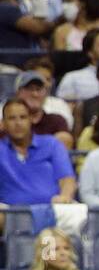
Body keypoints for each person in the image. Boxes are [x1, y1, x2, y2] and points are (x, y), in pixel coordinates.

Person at [0, 97, 76, 233]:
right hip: (10, 215)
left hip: (54, 211)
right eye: (12, 118)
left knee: (77, 213)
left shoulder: (52, 144)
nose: (18, 123)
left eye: (23, 117)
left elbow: (67, 179)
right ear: (3, 123)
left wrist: (65, 197)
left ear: (31, 120)